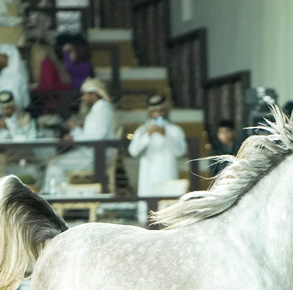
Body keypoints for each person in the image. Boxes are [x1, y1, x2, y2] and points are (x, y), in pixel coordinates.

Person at [42, 77, 115, 192]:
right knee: (54, 162)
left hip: (96, 156)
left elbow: (97, 137)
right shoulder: (97, 109)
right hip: (89, 153)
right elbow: (89, 135)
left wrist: (74, 138)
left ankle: (56, 199)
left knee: (55, 166)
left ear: (93, 94)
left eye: (85, 94)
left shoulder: (102, 109)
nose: (83, 98)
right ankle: (55, 196)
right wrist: (74, 129)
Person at [128, 93, 187, 222]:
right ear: (150, 113)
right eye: (154, 111)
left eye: (160, 111)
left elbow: (180, 152)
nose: (158, 114)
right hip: (148, 177)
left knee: (168, 213)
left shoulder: (175, 130)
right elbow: (133, 151)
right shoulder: (142, 130)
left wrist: (166, 135)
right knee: (146, 214)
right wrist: (147, 135)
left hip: (167, 173)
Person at [0, 44, 31, 115]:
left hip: (5, 120)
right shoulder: (5, 74)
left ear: (6, 58)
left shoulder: (13, 78)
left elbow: (10, 104)